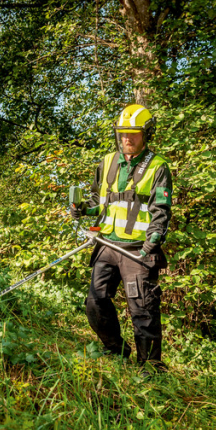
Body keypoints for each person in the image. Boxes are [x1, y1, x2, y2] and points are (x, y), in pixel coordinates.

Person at [70, 103, 172, 368]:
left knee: (143, 309)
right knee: (95, 302)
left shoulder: (158, 166)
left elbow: (161, 209)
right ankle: (116, 350)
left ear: (146, 134)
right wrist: (83, 208)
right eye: (123, 133)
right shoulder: (107, 162)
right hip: (106, 244)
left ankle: (150, 366)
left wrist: (154, 239)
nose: (127, 139)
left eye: (133, 134)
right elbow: (98, 200)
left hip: (137, 249)